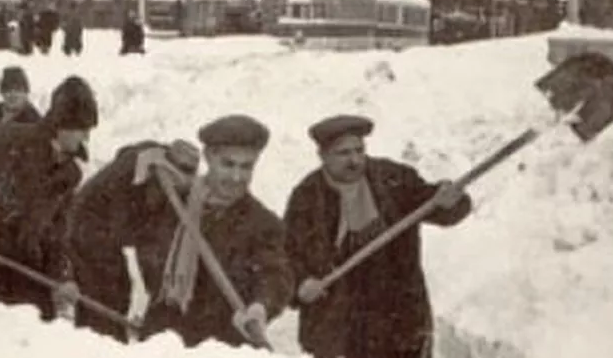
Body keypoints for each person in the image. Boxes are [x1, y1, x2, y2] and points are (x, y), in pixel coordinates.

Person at [282, 114, 472, 358]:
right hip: (340, 323)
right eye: (343, 153)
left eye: (359, 150)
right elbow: (285, 256)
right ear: (323, 156)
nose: (354, 160)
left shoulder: (393, 178)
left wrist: (450, 201)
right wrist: (301, 283)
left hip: (400, 317)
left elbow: (438, 207)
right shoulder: (306, 198)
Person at [0, 75, 98, 320]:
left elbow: (57, 232)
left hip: (26, 272)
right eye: (82, 130)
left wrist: (63, 277)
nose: (85, 138)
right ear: (62, 125)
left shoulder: (69, 174)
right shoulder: (5, 140)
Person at [135, 115, 293, 348]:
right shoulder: (173, 205)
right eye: (228, 164)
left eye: (246, 167)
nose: (236, 177)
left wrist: (260, 307)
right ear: (209, 157)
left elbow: (275, 275)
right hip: (163, 342)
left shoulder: (264, 224)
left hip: (223, 346)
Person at [59, 138, 201, 342]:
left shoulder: (181, 196)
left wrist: (159, 307)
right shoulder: (124, 173)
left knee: (164, 284)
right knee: (108, 289)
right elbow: (79, 210)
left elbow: (161, 253)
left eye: (181, 183)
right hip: (92, 225)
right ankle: (99, 344)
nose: (176, 186)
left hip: (138, 226)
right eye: (172, 178)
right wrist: (66, 270)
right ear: (160, 168)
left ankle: (155, 338)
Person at [0, 66, 43, 137]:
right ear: (2, 93)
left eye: (17, 90)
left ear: (25, 93)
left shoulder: (32, 119)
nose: (12, 95)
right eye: (8, 90)